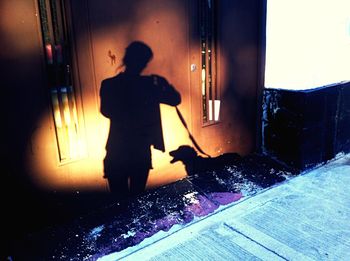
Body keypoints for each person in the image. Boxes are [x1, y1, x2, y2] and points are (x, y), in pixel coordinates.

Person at [100, 41, 181, 200]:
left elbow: (106, 111)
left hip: (119, 150)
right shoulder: (147, 85)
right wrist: (164, 85)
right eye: (143, 61)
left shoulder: (110, 84)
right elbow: (174, 99)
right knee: (136, 199)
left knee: (120, 201)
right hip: (137, 150)